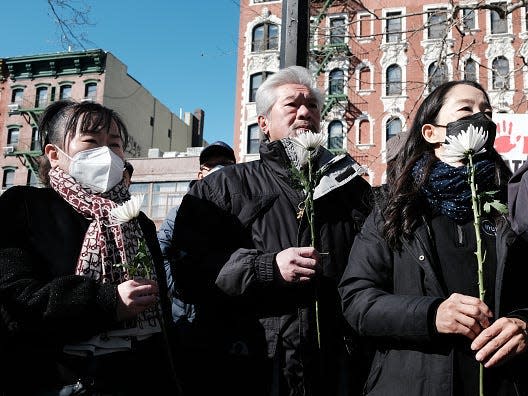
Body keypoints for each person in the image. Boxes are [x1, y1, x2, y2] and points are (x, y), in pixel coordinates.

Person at [170, 65, 372, 396]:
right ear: (263, 123)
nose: (305, 112)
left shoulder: (351, 190)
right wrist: (266, 267)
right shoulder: (224, 187)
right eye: (292, 105)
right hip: (255, 367)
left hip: (339, 369)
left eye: (313, 105)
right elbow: (187, 272)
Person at [339, 80, 528, 395]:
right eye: (465, 110)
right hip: (414, 382)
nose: (480, 119)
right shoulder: (392, 206)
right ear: (431, 133)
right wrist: (431, 315)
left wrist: (524, 323)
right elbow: (356, 300)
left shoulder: (512, 203)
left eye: (486, 112)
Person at [0, 100, 180, 395]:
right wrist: (108, 303)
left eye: (115, 144)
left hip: (136, 375)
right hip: (53, 379)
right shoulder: (23, 207)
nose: (106, 154)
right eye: (91, 142)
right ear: (54, 155)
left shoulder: (138, 220)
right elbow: (16, 300)